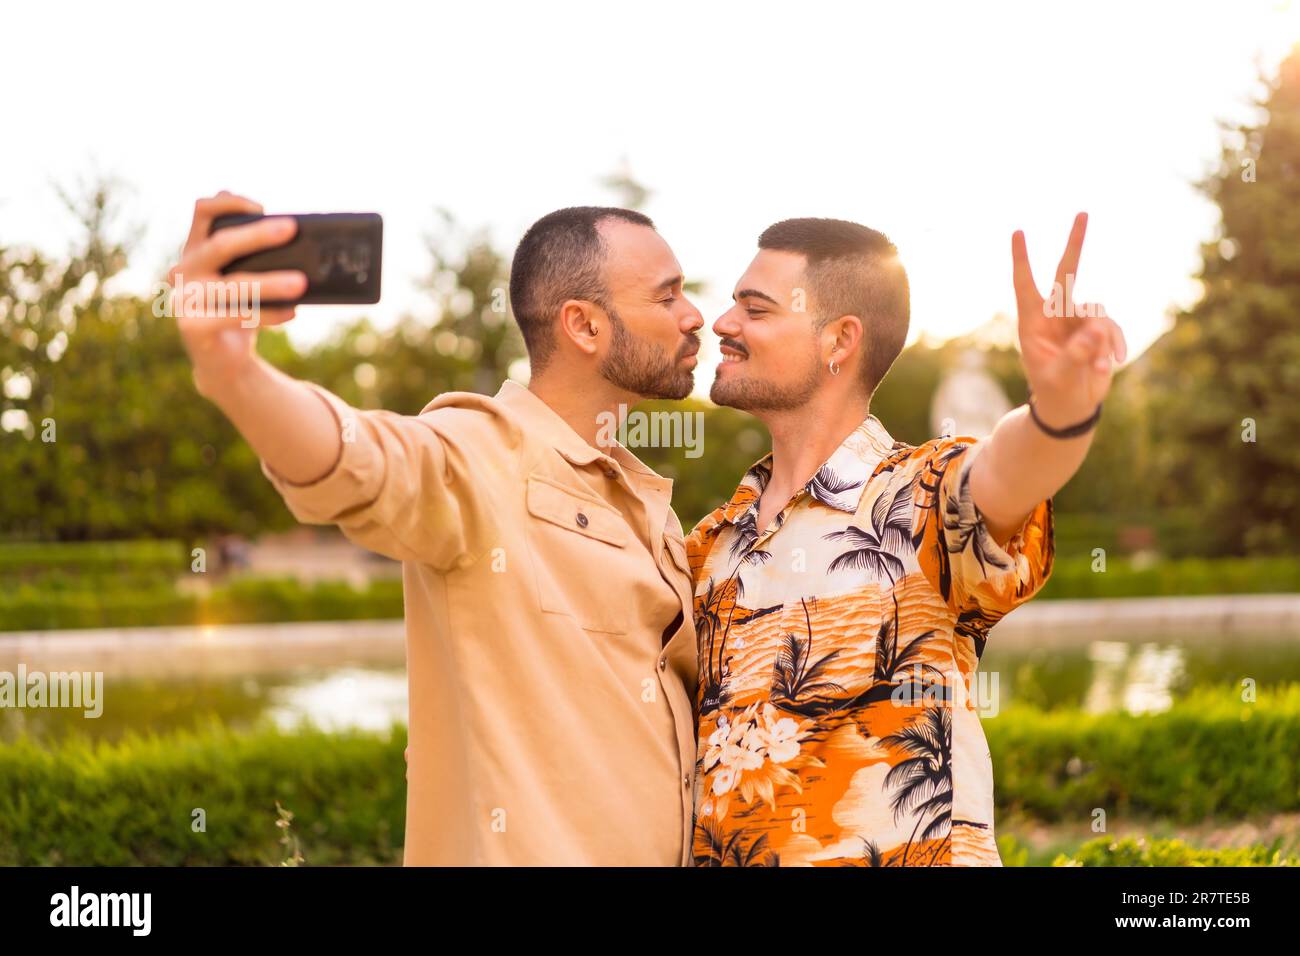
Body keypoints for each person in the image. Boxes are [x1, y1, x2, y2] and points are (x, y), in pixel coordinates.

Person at [168, 193, 704, 865]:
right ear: (585, 327)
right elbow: (357, 459)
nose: (695, 317)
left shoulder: (645, 503)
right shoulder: (477, 453)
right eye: (669, 296)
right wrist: (232, 371)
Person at [687, 214, 1125, 866]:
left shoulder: (918, 496)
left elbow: (1006, 473)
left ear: (839, 339)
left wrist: (1060, 411)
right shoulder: (708, 546)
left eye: (755, 308)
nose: (722, 323)